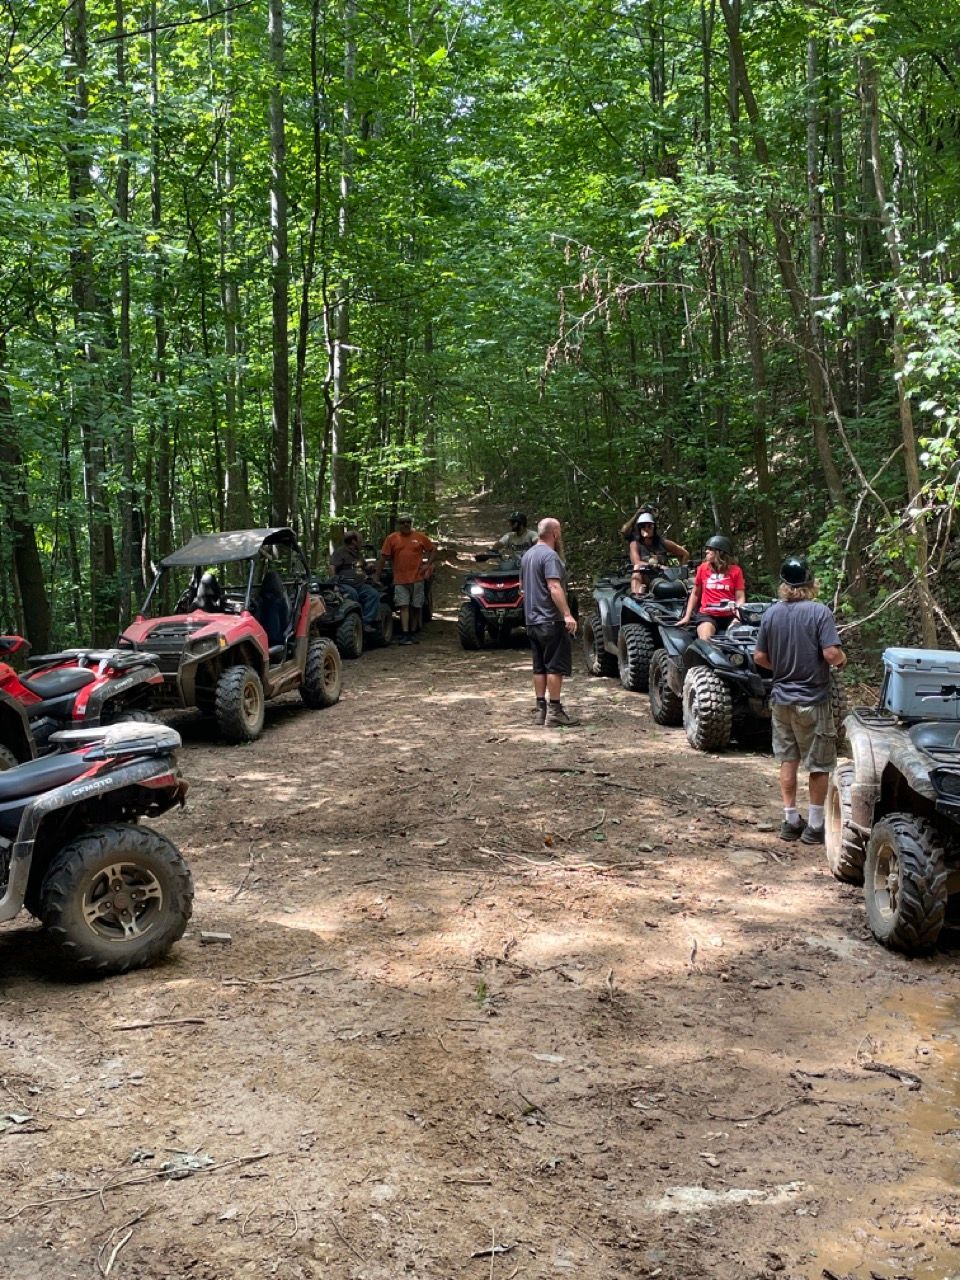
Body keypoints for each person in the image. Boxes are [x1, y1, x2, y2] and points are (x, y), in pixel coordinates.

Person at [754, 555, 847, 845]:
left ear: (784, 585)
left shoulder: (771, 613)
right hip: (812, 698)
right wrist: (842, 660)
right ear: (810, 583)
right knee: (819, 763)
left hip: (781, 699)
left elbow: (759, 657)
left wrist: (781, 668)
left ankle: (790, 819)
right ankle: (815, 826)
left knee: (788, 759)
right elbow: (831, 654)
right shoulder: (820, 612)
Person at [520, 517, 578, 727]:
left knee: (539, 667)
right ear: (554, 534)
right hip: (549, 619)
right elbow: (554, 586)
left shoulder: (527, 556)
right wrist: (567, 614)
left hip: (532, 620)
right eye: (559, 532)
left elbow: (523, 588)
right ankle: (554, 710)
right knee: (554, 666)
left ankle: (540, 711)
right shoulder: (550, 556)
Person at [376, 513, 436, 646]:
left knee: (416, 606)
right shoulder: (392, 538)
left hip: (417, 578)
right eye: (402, 522)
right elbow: (384, 557)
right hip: (400, 579)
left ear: (411, 523)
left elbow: (432, 550)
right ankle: (405, 633)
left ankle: (413, 633)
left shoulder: (419, 537)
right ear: (398, 524)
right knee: (403, 606)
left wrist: (427, 565)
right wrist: (377, 575)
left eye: (408, 522)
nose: (405, 524)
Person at [677, 535, 745, 640]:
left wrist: (737, 618)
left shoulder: (736, 571)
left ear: (719, 552)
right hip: (707, 615)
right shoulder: (703, 568)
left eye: (710, 549)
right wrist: (687, 616)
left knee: (738, 642)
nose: (706, 552)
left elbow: (740, 598)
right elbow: (695, 594)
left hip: (730, 616)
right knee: (706, 640)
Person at [625, 512, 689, 596]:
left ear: (654, 527)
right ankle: (637, 596)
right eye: (643, 526)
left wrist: (681, 570)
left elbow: (685, 554)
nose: (646, 528)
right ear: (639, 528)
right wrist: (658, 566)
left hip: (663, 577)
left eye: (649, 526)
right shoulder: (635, 544)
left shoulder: (663, 543)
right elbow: (636, 562)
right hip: (646, 577)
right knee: (637, 569)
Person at [330, 531, 381, 630]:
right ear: (354, 541)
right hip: (345, 584)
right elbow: (332, 567)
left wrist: (371, 568)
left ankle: (365, 622)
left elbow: (365, 568)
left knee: (373, 594)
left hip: (360, 584)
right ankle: (353, 622)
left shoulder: (358, 554)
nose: (361, 541)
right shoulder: (341, 552)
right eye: (360, 539)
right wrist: (334, 583)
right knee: (352, 594)